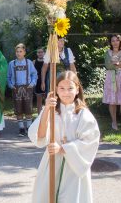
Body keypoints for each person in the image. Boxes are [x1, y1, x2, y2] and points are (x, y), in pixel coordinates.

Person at [28, 71, 100, 203]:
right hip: (52, 164)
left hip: (74, 168)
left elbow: (90, 142)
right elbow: (40, 136)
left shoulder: (83, 115)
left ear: (77, 89)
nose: (66, 92)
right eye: (62, 88)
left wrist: (62, 148)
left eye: (70, 88)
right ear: (56, 89)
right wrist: (46, 110)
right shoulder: (52, 111)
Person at [7, 43, 37, 136]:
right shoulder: (12, 63)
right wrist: (11, 85)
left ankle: (29, 127)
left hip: (27, 88)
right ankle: (21, 128)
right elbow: (8, 76)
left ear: (24, 52)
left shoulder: (29, 63)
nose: (18, 53)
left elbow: (34, 74)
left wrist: (32, 84)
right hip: (16, 89)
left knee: (28, 109)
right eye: (17, 51)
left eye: (20, 51)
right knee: (18, 109)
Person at [33, 48, 47, 115]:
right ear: (36, 53)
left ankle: (47, 116)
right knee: (39, 102)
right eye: (38, 52)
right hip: (37, 83)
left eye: (41, 52)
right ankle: (39, 117)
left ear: (44, 53)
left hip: (46, 82)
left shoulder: (47, 62)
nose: (40, 53)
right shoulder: (34, 62)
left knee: (47, 100)